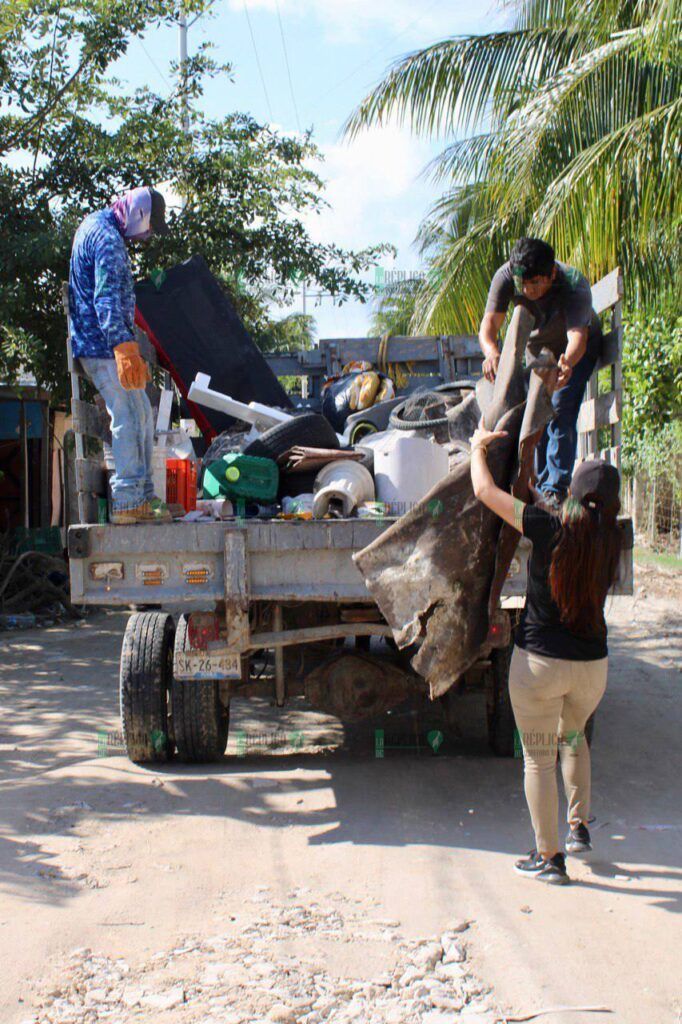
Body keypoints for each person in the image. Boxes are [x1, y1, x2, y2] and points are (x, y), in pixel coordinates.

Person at [469, 424, 622, 885]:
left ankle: (549, 857)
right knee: (573, 737)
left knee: (539, 759)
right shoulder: (613, 539)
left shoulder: (546, 527)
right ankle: (578, 829)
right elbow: (579, 522)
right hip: (592, 671)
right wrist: (534, 498)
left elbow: (483, 490)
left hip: (539, 666)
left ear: (571, 495)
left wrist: (478, 448)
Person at [69, 186, 171, 524]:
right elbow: (106, 299)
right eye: (150, 225)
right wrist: (125, 348)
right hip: (104, 347)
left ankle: (143, 498)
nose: (149, 233)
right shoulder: (109, 242)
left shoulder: (99, 226)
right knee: (128, 414)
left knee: (141, 411)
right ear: (139, 214)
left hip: (106, 344)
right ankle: (129, 501)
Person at [479, 238, 602, 507]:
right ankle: (535, 483)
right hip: (537, 348)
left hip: (576, 348)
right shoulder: (506, 277)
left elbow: (577, 337)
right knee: (534, 413)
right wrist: (491, 352)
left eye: (535, 283)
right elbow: (488, 327)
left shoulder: (573, 284)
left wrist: (566, 363)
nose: (527, 289)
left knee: (560, 409)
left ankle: (555, 490)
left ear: (552, 274)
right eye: (523, 284)